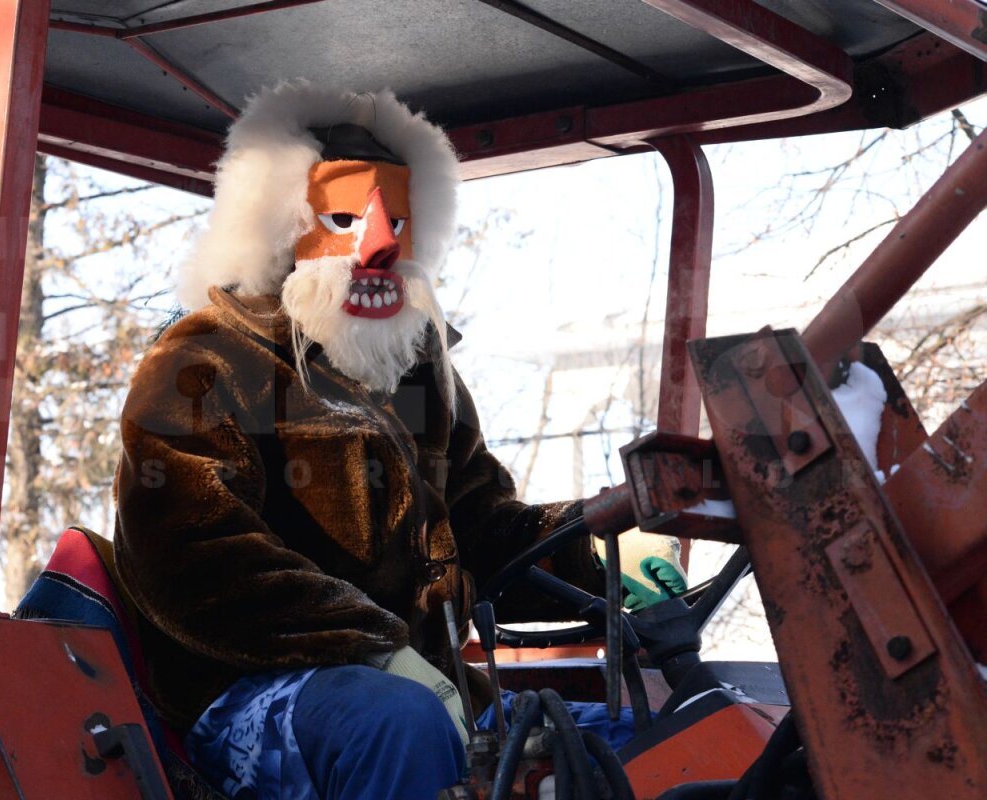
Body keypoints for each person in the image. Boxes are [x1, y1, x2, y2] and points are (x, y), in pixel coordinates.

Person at [113, 81, 686, 800]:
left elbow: (482, 531)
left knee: (646, 738)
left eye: (399, 219)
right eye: (348, 215)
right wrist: (375, 648)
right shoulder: (206, 360)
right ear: (282, 225)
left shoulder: (416, 370)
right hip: (250, 693)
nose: (381, 244)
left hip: (423, 685)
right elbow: (191, 562)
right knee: (396, 722)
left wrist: (599, 548)